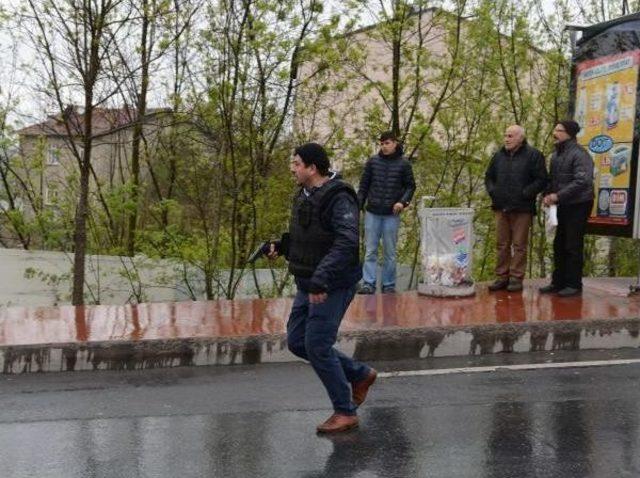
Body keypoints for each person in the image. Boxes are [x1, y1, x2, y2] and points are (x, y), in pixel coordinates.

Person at [268, 142, 377, 434]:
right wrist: (282, 246)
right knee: (297, 341)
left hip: (332, 284)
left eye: (296, 164)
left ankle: (345, 411)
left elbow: (346, 242)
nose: (292, 168)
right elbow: (308, 236)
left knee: (317, 344)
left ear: (312, 168)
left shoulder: (339, 197)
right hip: (309, 281)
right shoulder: (304, 193)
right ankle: (360, 374)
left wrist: (322, 277)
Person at [485, 125, 548, 292]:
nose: (506, 139)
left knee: (519, 244)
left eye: (510, 136)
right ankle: (501, 277)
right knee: (501, 244)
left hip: (522, 208)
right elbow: (489, 177)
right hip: (500, 206)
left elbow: (542, 180)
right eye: (505, 135)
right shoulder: (498, 156)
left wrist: (526, 193)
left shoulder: (534, 155)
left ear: (521, 138)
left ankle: (516, 278)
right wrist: (493, 192)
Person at [540, 120, 594, 297]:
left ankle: (574, 284)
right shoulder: (556, 155)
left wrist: (558, 195)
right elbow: (552, 180)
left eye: (559, 130)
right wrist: (547, 195)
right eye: (554, 128)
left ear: (569, 134)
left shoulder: (580, 154)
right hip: (562, 205)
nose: (554, 132)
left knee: (572, 244)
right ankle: (558, 282)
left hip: (579, 204)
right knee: (559, 244)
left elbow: (582, 181)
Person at [357, 131, 416, 294]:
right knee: (370, 251)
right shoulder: (372, 162)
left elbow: (411, 186)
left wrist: (402, 202)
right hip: (372, 213)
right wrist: (357, 206)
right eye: (382, 143)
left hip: (392, 214)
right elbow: (363, 186)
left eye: (387, 143)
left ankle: (388, 284)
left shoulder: (404, 164)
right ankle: (368, 283)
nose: (384, 146)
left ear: (395, 143)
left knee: (390, 252)